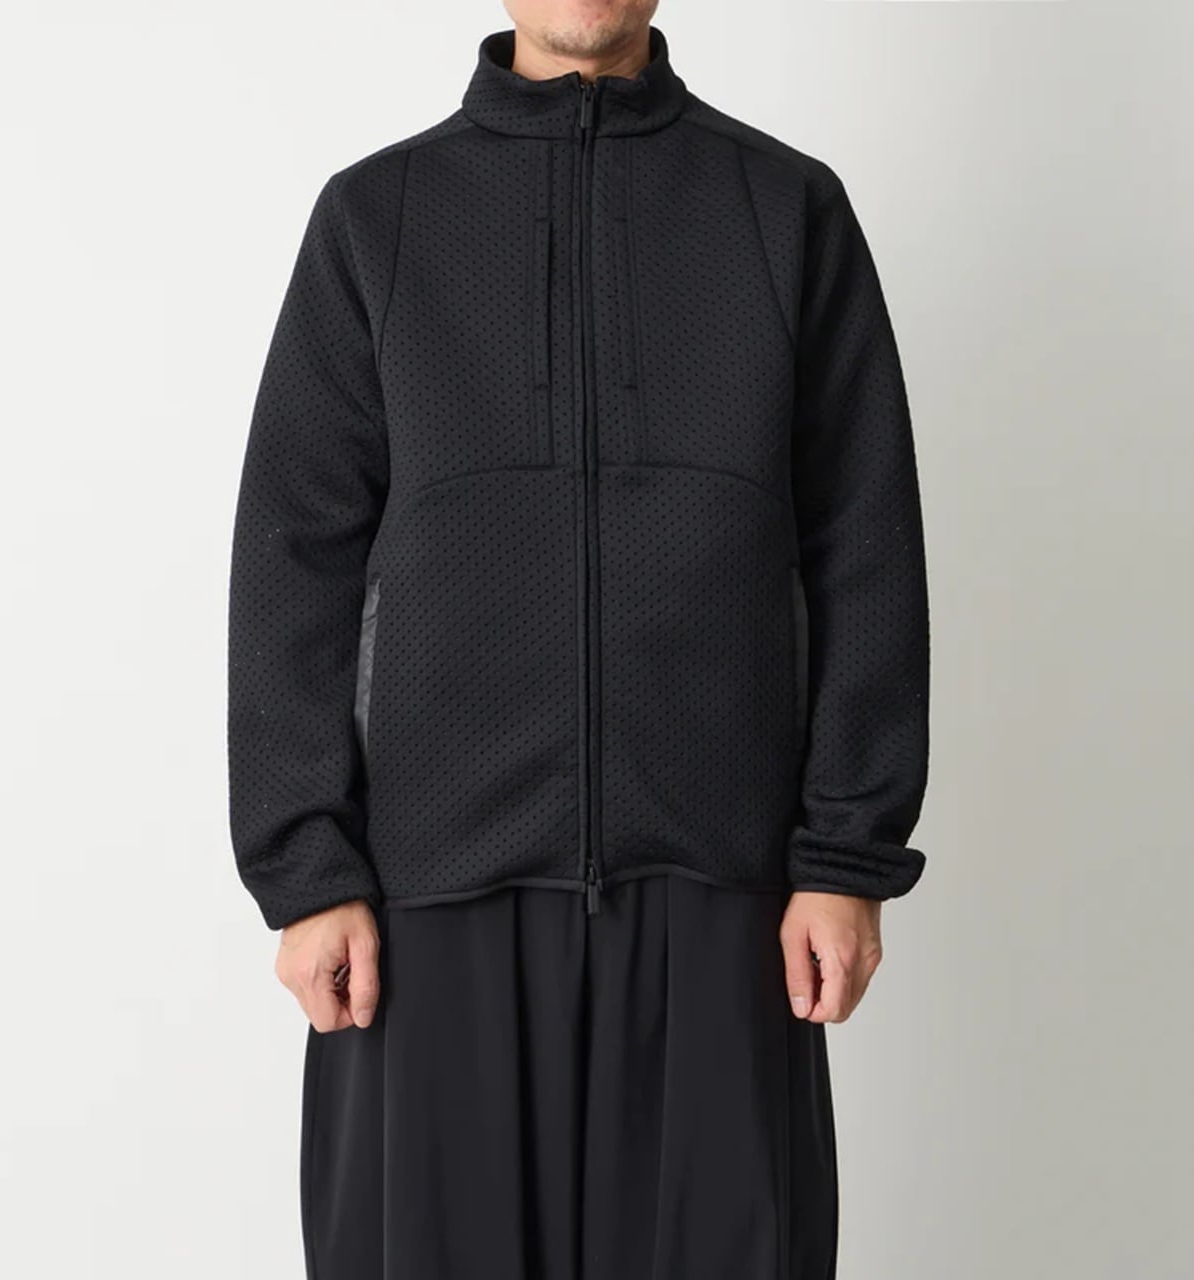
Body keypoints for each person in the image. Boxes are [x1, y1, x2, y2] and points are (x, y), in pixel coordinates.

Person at [226, 3, 930, 1276]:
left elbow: (863, 542)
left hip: (721, 889)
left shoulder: (785, 210)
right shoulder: (376, 218)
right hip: (429, 898)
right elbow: (293, 558)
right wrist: (307, 867)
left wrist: (845, 855)